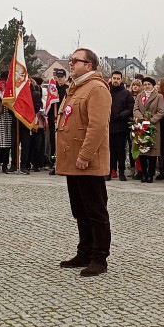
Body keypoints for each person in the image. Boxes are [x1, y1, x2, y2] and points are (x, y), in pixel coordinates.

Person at [54, 48, 112, 277]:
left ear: (89, 65)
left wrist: (85, 155)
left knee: (95, 211)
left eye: (75, 60)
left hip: (87, 162)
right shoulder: (76, 87)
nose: (71, 63)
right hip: (73, 161)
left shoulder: (97, 88)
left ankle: (99, 257)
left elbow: (97, 127)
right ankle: (84, 251)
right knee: (80, 210)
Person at [133, 76, 164, 182]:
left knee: (152, 151)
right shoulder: (139, 95)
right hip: (141, 126)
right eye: (145, 84)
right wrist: (142, 119)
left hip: (153, 126)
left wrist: (150, 121)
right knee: (142, 150)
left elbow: (161, 111)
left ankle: (151, 174)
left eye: (149, 84)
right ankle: (144, 174)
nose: (147, 86)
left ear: (152, 85)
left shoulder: (158, 96)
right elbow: (136, 109)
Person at [108, 70, 134, 181]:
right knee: (110, 150)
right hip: (108, 125)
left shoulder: (126, 93)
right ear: (111, 78)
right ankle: (109, 171)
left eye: (118, 79)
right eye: (114, 78)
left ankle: (122, 171)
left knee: (120, 150)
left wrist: (121, 116)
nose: (116, 80)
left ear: (121, 79)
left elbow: (130, 108)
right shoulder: (106, 91)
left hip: (121, 126)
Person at [47, 68, 69, 174]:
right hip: (54, 119)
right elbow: (49, 105)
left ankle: (64, 164)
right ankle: (54, 163)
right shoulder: (53, 89)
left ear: (65, 78)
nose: (60, 79)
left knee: (64, 143)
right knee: (53, 142)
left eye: (61, 77)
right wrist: (52, 117)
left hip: (65, 119)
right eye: (58, 77)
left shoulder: (68, 89)